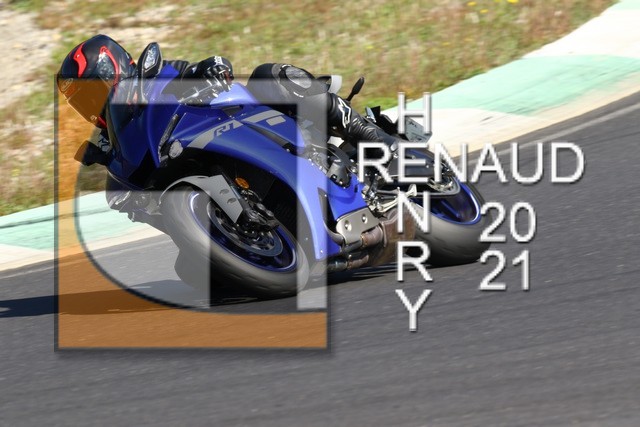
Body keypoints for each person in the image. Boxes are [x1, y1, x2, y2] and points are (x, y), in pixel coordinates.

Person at [57, 34, 399, 150]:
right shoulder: (113, 142)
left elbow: (205, 65)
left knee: (268, 76)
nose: (90, 106)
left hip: (241, 124)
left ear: (112, 69)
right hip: (202, 167)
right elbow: (121, 190)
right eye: (81, 103)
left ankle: (365, 131)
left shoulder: (158, 74)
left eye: (91, 94)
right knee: (198, 274)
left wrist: (214, 68)